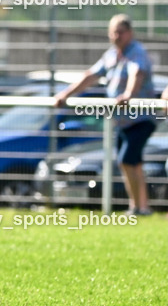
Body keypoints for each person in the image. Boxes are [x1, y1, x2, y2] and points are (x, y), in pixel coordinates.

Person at [55, 15, 156, 215]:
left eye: (120, 32)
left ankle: (139, 207)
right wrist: (65, 94)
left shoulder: (137, 52)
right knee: (130, 163)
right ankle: (139, 206)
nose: (116, 36)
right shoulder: (111, 55)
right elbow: (90, 76)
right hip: (122, 120)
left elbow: (137, 73)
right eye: (113, 32)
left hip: (141, 118)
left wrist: (128, 95)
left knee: (128, 160)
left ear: (130, 33)